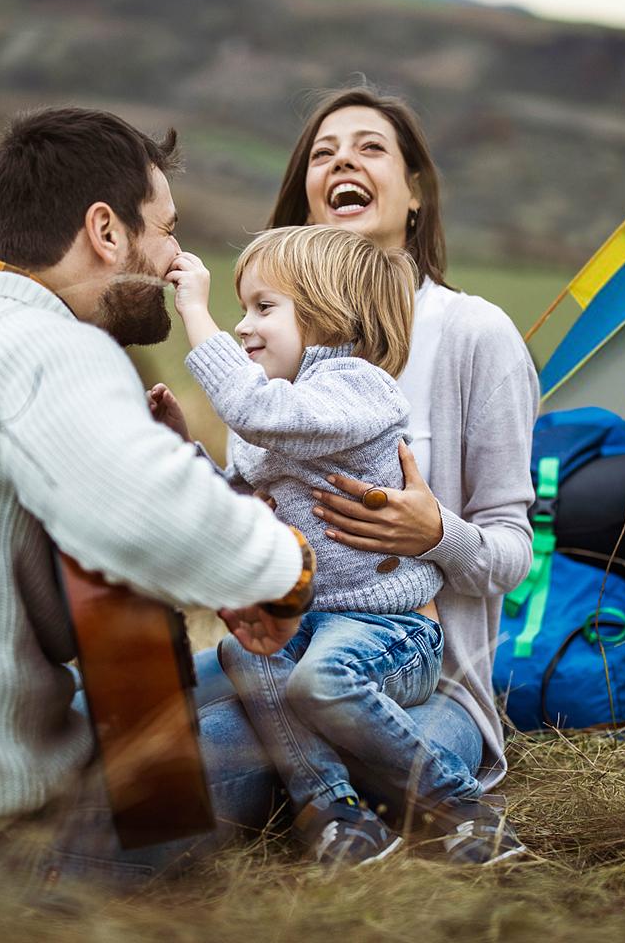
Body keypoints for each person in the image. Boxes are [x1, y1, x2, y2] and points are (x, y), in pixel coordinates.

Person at [196, 85, 540, 864]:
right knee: (119, 710)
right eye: (323, 152)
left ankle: (383, 814)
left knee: (213, 762)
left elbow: (515, 554)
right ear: (307, 206)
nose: (343, 158)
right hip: (284, 652)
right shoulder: (269, 353)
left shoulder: (475, 332)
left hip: (423, 670)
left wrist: (437, 533)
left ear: (415, 193)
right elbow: (238, 520)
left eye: (370, 146)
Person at [0, 106, 316, 896]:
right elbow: (140, 512)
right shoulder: (47, 342)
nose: (178, 257)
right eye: (166, 229)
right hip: (18, 837)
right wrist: (283, 571)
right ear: (106, 232)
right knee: (261, 723)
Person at [155, 224, 482, 864]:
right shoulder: (274, 414)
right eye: (241, 308)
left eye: (263, 308)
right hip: (312, 622)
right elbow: (233, 502)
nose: (244, 325)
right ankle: (338, 813)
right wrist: (180, 446)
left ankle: (460, 806)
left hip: (387, 630)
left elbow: (255, 411)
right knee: (245, 653)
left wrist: (195, 307)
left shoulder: (355, 388)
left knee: (322, 681)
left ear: (331, 314)